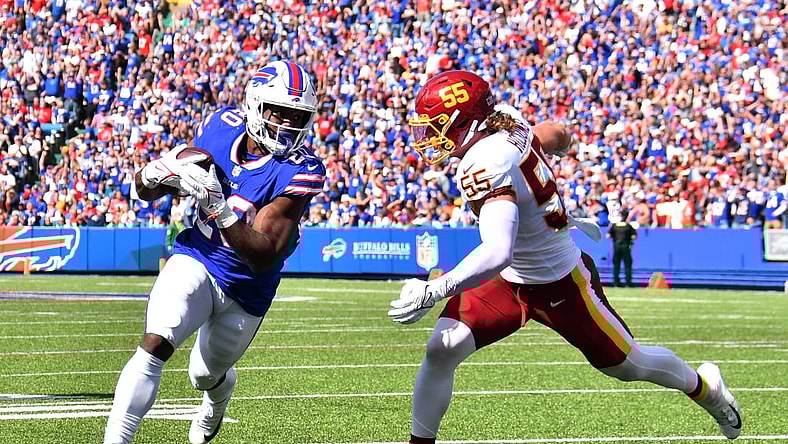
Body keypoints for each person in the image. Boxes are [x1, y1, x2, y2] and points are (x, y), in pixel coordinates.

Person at [387, 70, 742, 443]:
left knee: (630, 364)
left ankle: (707, 389)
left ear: (470, 123)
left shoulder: (483, 160)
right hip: (507, 283)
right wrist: (559, 151)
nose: (429, 137)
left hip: (559, 281)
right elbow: (553, 132)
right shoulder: (504, 120)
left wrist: (434, 290)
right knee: (442, 348)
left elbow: (497, 251)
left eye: (439, 126)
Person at [103, 60, 324, 444]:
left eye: (298, 116)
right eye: (281, 113)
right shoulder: (220, 127)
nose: (288, 124)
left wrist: (219, 207)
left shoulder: (299, 170)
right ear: (255, 104)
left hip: (246, 287)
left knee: (204, 375)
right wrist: (152, 174)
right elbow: (151, 189)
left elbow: (263, 253)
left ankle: (217, 397)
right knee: (155, 343)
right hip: (198, 257)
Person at [607, 209, 637, 287]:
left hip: (616, 246)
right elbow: (634, 236)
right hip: (626, 246)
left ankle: (616, 282)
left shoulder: (615, 226)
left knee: (616, 264)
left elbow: (608, 235)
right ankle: (628, 282)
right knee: (627, 264)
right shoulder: (628, 226)